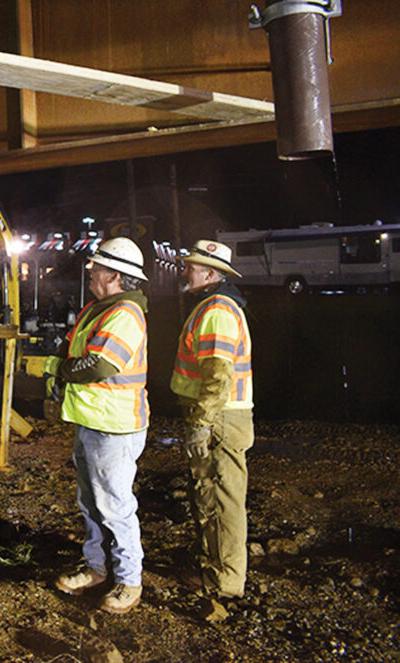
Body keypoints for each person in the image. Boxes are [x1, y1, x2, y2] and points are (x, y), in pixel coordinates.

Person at [28, 237, 150, 614]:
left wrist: (53, 368)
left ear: (114, 275)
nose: (91, 272)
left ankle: (129, 581)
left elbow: (99, 365)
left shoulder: (125, 314)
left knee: (114, 507)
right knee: (91, 504)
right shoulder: (100, 309)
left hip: (114, 428)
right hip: (92, 422)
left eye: (96, 268)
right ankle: (96, 569)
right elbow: (77, 351)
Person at [172, 240, 254, 598]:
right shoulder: (216, 306)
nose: (185, 271)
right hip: (220, 417)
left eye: (191, 266)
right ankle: (214, 568)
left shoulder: (217, 310)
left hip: (220, 418)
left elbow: (219, 377)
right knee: (211, 494)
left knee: (221, 498)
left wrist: (202, 423)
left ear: (209, 273)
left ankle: (225, 581)